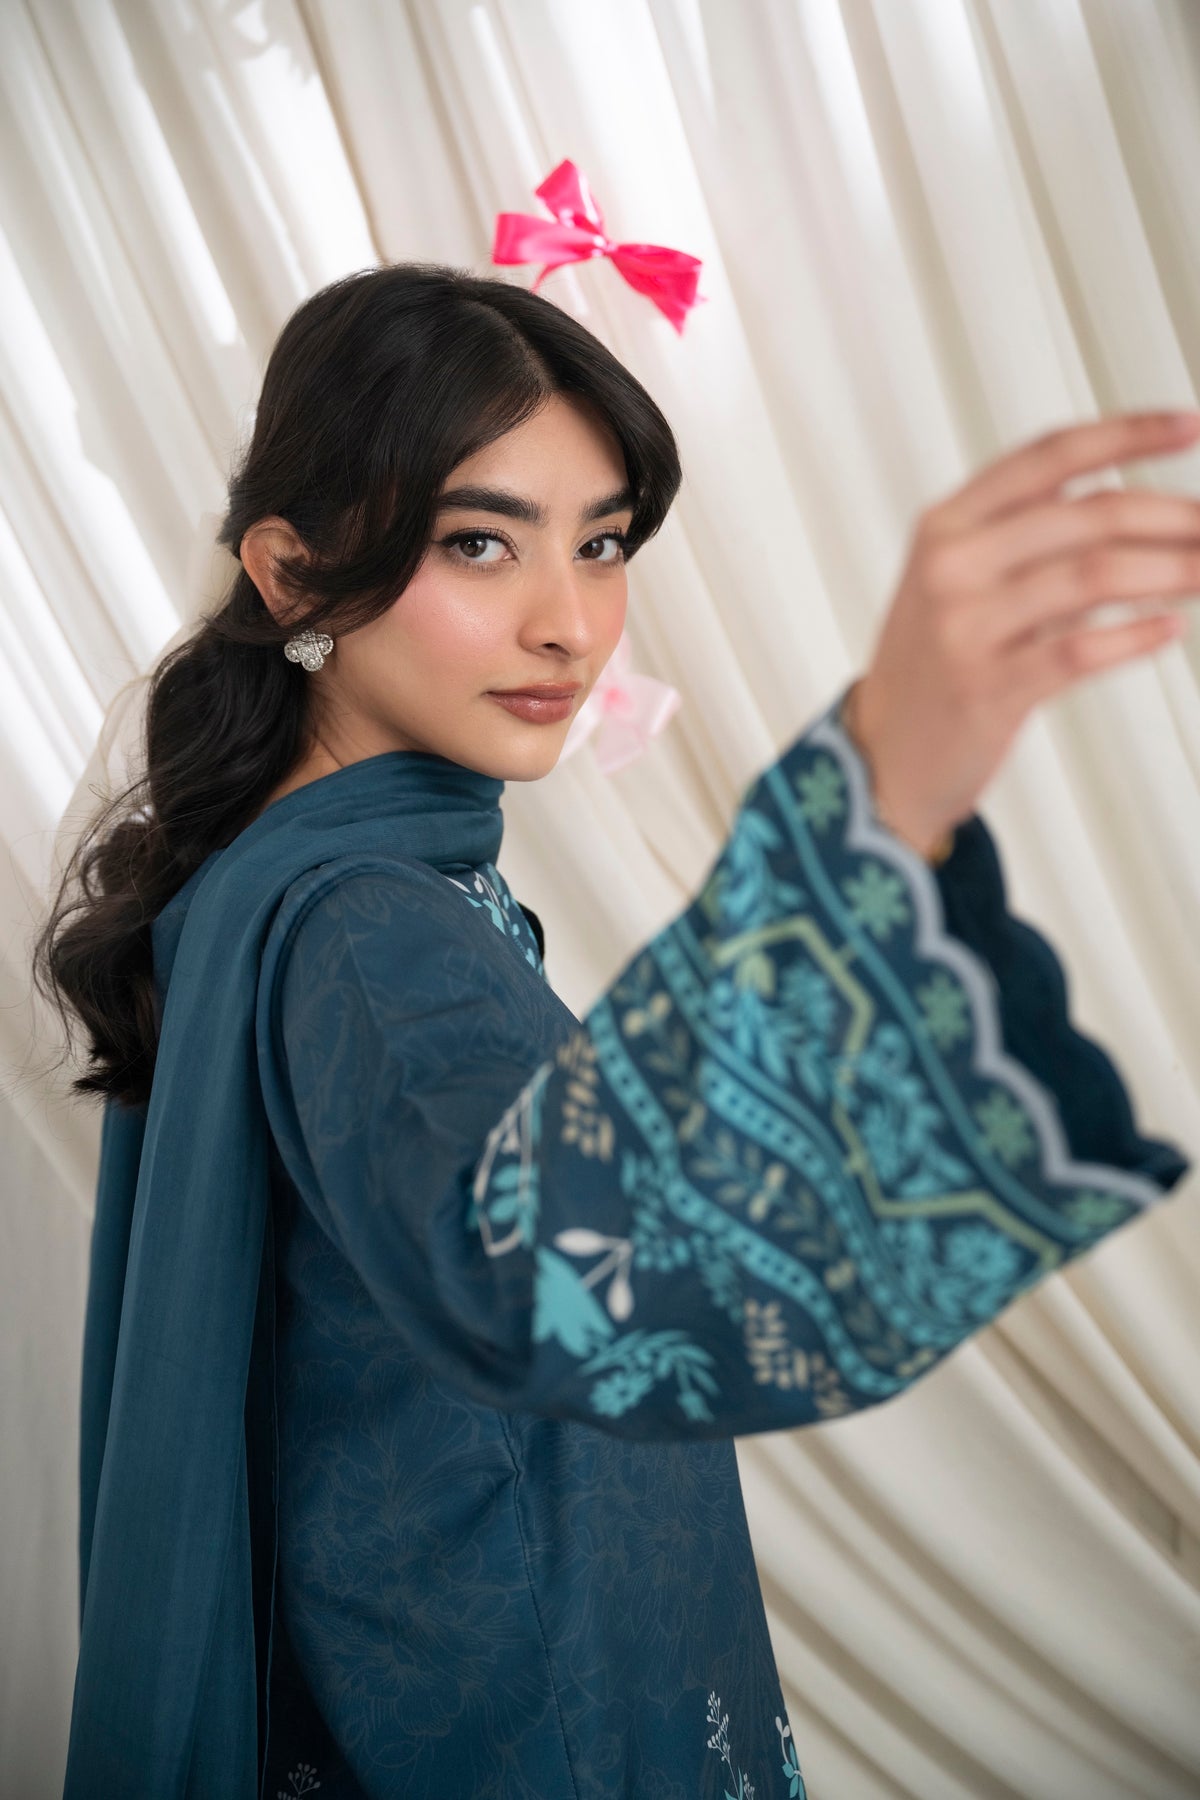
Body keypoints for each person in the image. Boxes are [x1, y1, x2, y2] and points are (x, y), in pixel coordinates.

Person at [35, 263, 1194, 1800]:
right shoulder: (364, 925)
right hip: (524, 1700)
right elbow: (551, 1278)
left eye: (600, 543)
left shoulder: (312, 879)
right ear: (294, 576)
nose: (569, 624)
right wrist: (884, 789)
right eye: (479, 542)